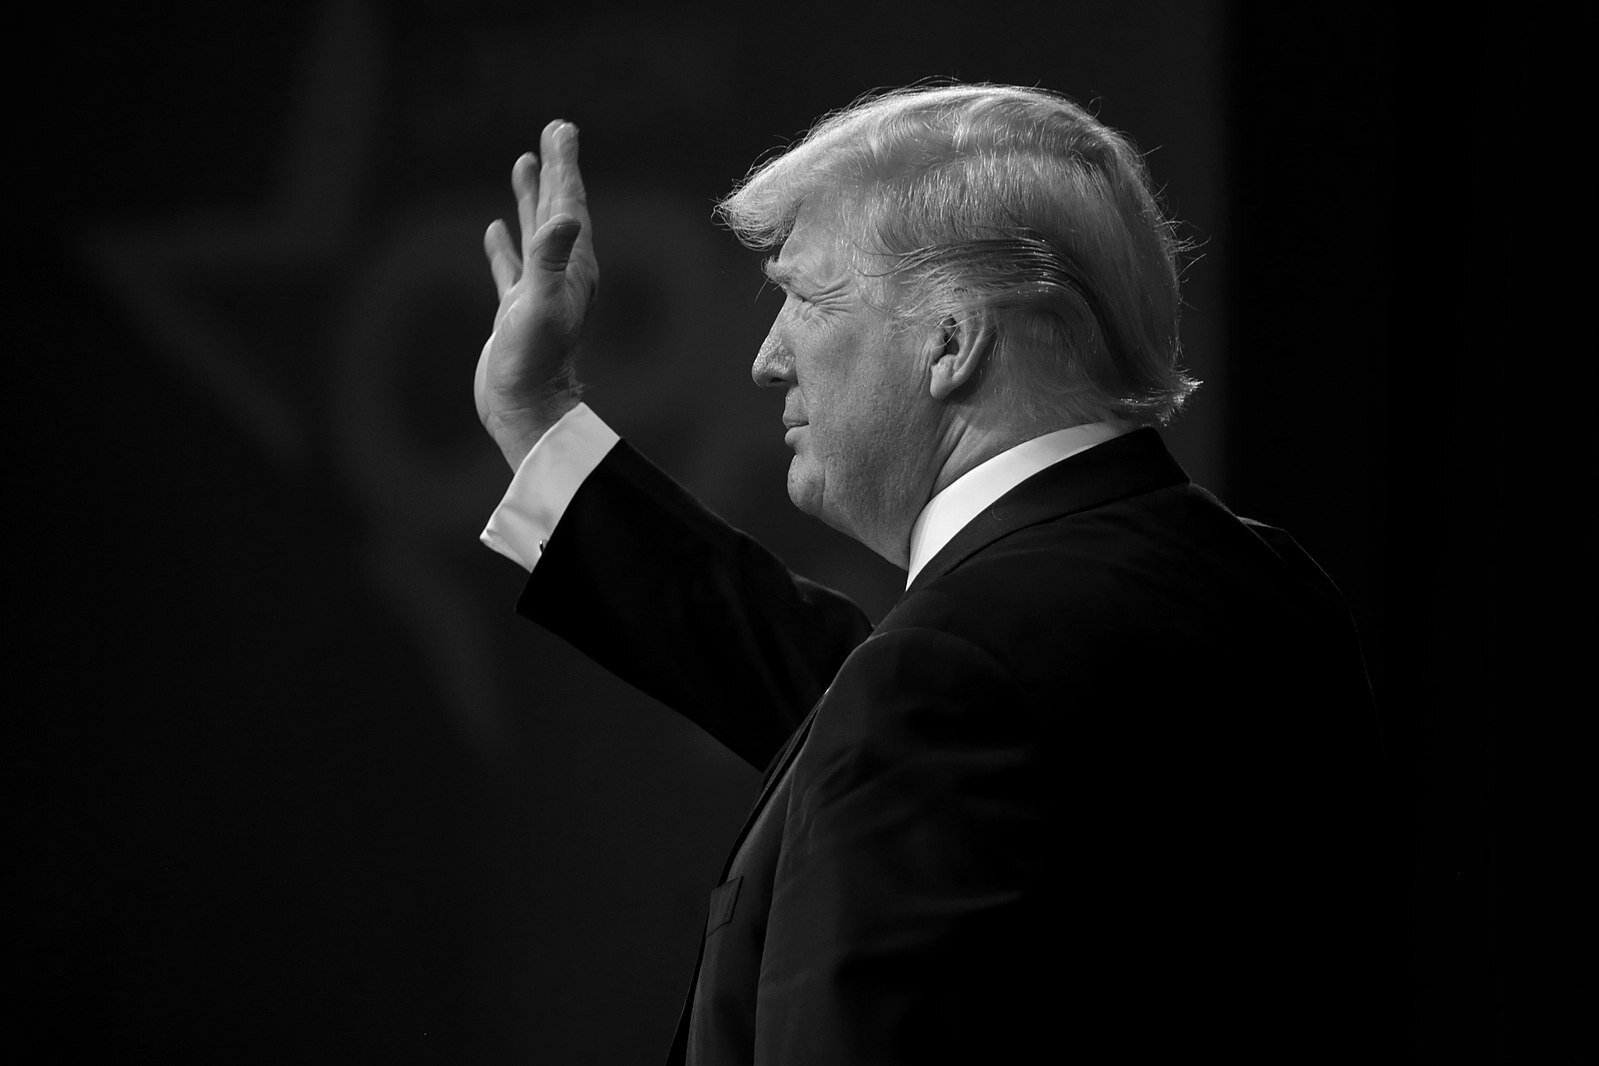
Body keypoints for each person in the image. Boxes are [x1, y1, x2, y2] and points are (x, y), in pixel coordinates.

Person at [474, 84, 1397, 1063]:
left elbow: (901, 710)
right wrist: (539, 418)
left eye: (805, 296)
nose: (766, 358)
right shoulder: (1259, 587)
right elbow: (854, 704)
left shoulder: (953, 676)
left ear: (951, 339)